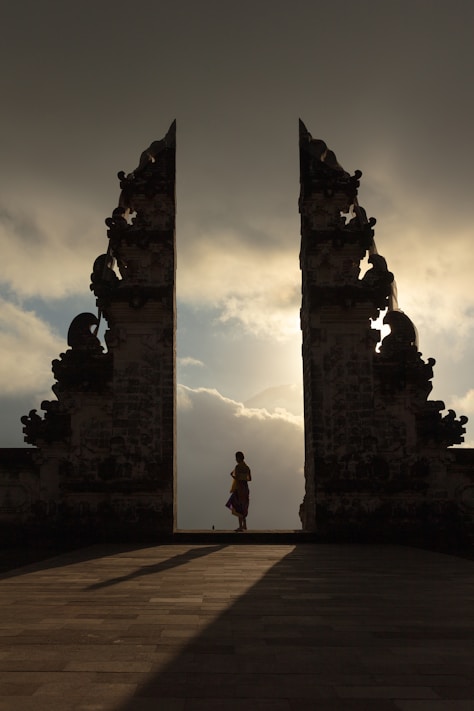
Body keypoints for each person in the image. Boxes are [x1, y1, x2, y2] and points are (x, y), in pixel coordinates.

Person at [225, 451, 251, 532]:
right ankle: (245, 525)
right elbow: (249, 479)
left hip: (239, 488)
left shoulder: (238, 467)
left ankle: (240, 526)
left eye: (236, 458)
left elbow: (237, 478)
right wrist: (243, 477)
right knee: (243, 506)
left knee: (238, 506)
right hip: (245, 488)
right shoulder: (247, 467)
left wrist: (232, 475)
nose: (236, 459)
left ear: (239, 458)